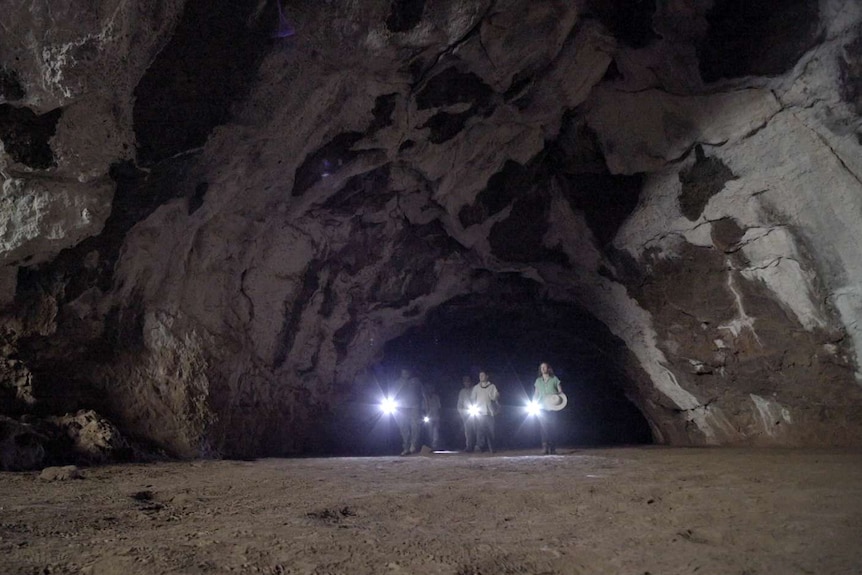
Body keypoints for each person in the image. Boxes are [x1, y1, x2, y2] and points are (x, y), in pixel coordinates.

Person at [533, 362, 564, 454]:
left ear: (548, 368)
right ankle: (545, 447)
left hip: (553, 406)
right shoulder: (538, 381)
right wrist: (533, 402)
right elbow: (536, 393)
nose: (543, 369)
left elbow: (560, 391)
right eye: (541, 367)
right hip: (542, 406)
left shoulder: (554, 379)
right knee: (543, 427)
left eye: (544, 367)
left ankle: (553, 448)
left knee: (552, 427)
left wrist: (556, 397)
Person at [393, 368, 423, 455]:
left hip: (414, 406)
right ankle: (406, 447)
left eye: (407, 373)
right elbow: (393, 393)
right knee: (403, 427)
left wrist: (424, 405)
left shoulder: (416, 381)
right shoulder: (397, 383)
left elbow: (422, 393)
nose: (405, 374)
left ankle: (413, 445)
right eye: (403, 373)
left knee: (415, 426)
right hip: (401, 406)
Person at [471, 371, 500, 453]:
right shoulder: (476, 387)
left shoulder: (492, 386)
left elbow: (494, 397)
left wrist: (497, 396)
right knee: (480, 431)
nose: (481, 377)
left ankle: (492, 448)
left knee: (491, 431)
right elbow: (473, 398)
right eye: (480, 375)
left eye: (483, 375)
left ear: (487, 376)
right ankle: (480, 447)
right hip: (479, 413)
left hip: (489, 412)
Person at [457, 375, 476, 452]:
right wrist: (461, 413)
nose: (467, 383)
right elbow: (459, 404)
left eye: (468, 381)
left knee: (477, 429)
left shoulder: (475, 390)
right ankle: (469, 446)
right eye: (465, 382)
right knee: (468, 431)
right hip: (466, 414)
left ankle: (479, 445)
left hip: (476, 412)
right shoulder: (462, 392)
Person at [424, 386, 442, 450]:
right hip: (428, 416)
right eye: (428, 388)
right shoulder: (425, 397)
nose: (430, 390)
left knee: (435, 431)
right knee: (429, 432)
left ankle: (435, 446)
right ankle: (430, 445)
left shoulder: (436, 397)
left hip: (436, 416)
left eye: (431, 388)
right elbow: (424, 408)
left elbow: (439, 407)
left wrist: (439, 417)